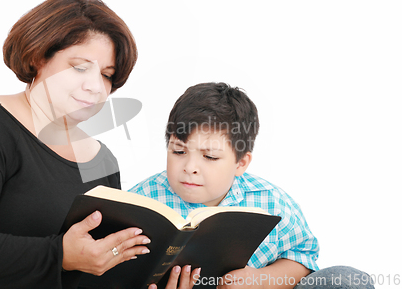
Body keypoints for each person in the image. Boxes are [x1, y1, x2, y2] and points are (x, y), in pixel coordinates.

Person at [0, 0, 193, 289]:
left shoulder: (102, 160)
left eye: (107, 75)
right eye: (80, 67)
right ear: (37, 56)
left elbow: (93, 271)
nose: (95, 86)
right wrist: (60, 255)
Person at [130, 82, 374, 289]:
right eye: (179, 151)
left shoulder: (271, 202)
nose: (190, 167)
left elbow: (303, 259)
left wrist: (262, 279)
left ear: (241, 163)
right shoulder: (141, 199)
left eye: (210, 157)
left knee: (346, 279)